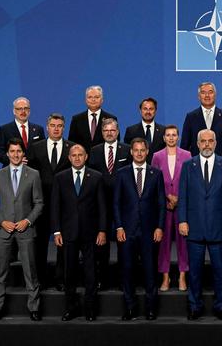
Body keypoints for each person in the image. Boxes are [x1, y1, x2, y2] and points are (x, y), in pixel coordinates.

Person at [177, 129, 222, 321]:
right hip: (193, 228)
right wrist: (183, 220)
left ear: (216, 143)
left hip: (219, 227)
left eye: (210, 141)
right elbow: (183, 195)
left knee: (220, 271)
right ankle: (195, 306)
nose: (207, 145)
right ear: (197, 143)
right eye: (203, 141)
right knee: (194, 272)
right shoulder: (188, 165)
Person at [51, 144, 107, 322]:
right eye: (73, 155)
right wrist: (57, 230)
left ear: (86, 157)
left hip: (90, 233)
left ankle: (90, 309)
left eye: (80, 155)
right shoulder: (60, 177)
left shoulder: (96, 177)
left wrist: (102, 230)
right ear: (69, 158)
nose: (77, 158)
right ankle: (71, 308)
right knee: (70, 273)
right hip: (68, 233)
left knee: (91, 273)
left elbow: (102, 207)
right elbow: (55, 206)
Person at [113, 138, 165, 320]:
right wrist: (119, 226)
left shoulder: (156, 174)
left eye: (142, 150)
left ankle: (151, 308)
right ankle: (130, 308)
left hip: (149, 231)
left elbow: (160, 204)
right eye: (136, 150)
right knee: (127, 271)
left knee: (150, 271)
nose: (139, 153)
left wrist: (159, 227)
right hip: (127, 231)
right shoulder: (121, 173)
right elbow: (116, 203)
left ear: (147, 151)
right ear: (131, 152)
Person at [0, 138, 44, 321]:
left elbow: (39, 203)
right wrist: (2, 222)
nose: (16, 155)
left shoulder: (33, 174)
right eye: (12, 151)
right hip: (4, 231)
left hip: (25, 230)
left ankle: (34, 307)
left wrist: (28, 220)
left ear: (23, 153)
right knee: (0, 272)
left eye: (19, 151)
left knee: (30, 271)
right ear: (7, 154)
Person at [26, 113, 73, 290]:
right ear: (47, 127)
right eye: (53, 125)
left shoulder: (72, 148)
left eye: (59, 125)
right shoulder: (35, 147)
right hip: (41, 203)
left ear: (64, 127)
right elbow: (28, 176)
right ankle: (41, 279)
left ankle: (60, 279)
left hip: (65, 205)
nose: (56, 128)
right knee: (40, 244)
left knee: (63, 245)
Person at [87, 118, 132, 290]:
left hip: (123, 204)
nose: (109, 133)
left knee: (124, 244)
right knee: (101, 244)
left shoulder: (127, 150)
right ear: (102, 133)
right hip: (101, 205)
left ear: (118, 132)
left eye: (112, 130)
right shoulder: (95, 151)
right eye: (106, 131)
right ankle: (102, 279)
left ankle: (124, 280)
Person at [151, 124, 191, 292]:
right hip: (164, 206)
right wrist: (167, 197)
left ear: (178, 137)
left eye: (174, 135)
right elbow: (153, 181)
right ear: (164, 138)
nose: (171, 138)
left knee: (184, 242)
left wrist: (179, 199)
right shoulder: (157, 156)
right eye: (168, 135)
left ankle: (182, 276)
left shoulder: (187, 155)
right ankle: (165, 277)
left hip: (182, 206)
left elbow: (190, 180)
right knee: (163, 243)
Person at [180, 82, 222, 158]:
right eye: (203, 93)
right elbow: (185, 145)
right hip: (197, 165)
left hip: (221, 165)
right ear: (199, 96)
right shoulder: (191, 117)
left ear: (215, 95)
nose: (207, 96)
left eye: (210, 92)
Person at [68, 85, 118, 152]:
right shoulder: (76, 119)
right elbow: (72, 143)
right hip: (83, 161)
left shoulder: (111, 118)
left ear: (102, 100)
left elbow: (115, 143)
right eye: (90, 97)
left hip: (103, 160)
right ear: (86, 100)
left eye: (96, 97)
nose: (93, 99)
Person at [0, 97, 45, 167]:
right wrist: (14, 161)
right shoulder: (4, 130)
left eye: (26, 108)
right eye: (19, 109)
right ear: (14, 111)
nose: (23, 111)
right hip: (12, 171)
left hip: (33, 172)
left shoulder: (38, 129)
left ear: (29, 111)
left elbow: (42, 151)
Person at [124, 97, 166, 162]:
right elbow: (128, 154)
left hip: (158, 169)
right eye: (145, 109)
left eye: (151, 109)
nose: (148, 112)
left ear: (155, 111)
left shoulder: (163, 131)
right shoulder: (131, 131)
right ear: (140, 111)